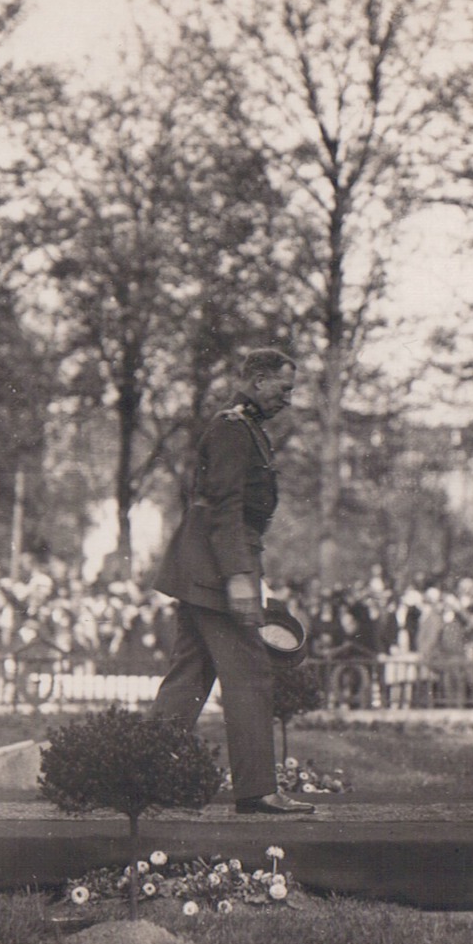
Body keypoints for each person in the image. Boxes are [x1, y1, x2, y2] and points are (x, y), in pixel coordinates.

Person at [150, 347, 314, 815]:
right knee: (251, 675)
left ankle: (139, 771)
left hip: (206, 568)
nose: (289, 398)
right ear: (258, 381)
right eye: (284, 388)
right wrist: (240, 578)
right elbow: (222, 507)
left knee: (189, 676)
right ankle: (257, 791)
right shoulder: (232, 430)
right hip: (218, 572)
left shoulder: (246, 429)